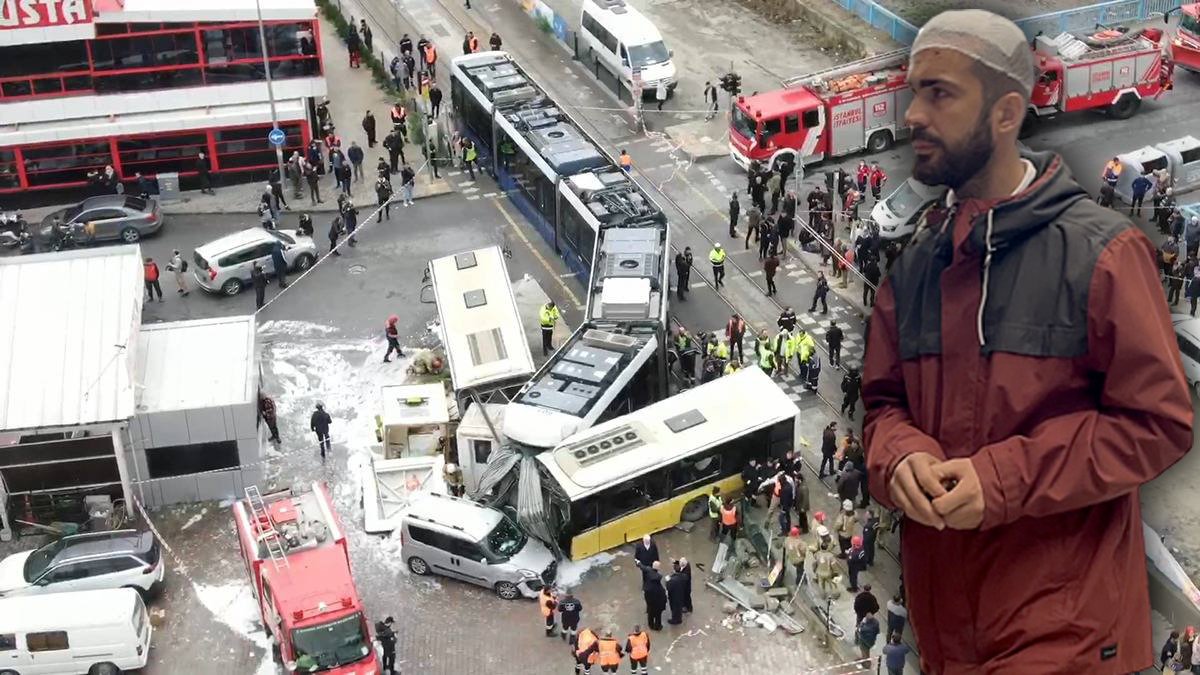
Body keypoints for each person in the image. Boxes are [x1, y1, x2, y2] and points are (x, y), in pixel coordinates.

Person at [862, 10, 1192, 674]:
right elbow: (881, 408)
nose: (913, 116)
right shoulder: (918, 268)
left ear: (1006, 114)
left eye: (939, 93)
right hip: (950, 639)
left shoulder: (1103, 254)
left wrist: (1001, 478)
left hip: (1065, 641)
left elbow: (1158, 423)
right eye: (913, 92)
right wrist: (900, 457)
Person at [642, 561, 667, 631]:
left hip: (650, 603)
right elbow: (663, 597)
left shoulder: (647, 585)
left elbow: (643, 567)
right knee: (658, 616)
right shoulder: (659, 589)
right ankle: (657, 626)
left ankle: (651, 625)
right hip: (658, 604)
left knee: (650, 614)